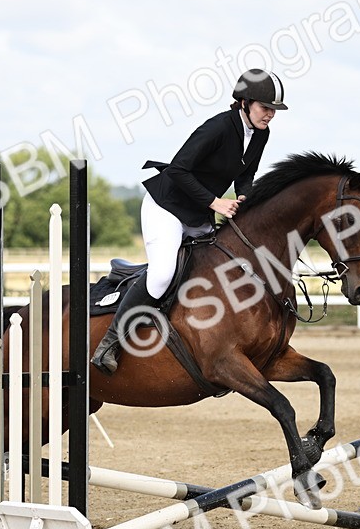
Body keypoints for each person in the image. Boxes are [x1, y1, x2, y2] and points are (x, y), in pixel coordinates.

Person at [91, 68, 289, 374]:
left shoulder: (260, 134)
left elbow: (245, 177)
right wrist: (216, 202)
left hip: (198, 212)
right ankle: (110, 343)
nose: (270, 115)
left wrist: (247, 199)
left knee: (216, 264)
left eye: (274, 110)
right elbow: (179, 170)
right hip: (166, 206)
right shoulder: (218, 128)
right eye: (266, 108)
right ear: (245, 102)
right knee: (162, 274)